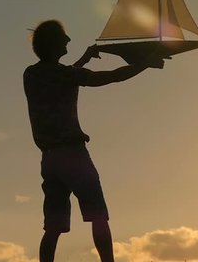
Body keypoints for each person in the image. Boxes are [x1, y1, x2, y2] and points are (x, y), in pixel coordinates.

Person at [23, 20, 165, 262]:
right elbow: (110, 77)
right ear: (55, 44)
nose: (69, 40)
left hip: (49, 160)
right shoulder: (64, 75)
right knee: (98, 215)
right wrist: (145, 63)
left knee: (53, 227)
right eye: (64, 38)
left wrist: (83, 60)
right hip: (73, 155)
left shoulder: (32, 74)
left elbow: (62, 79)